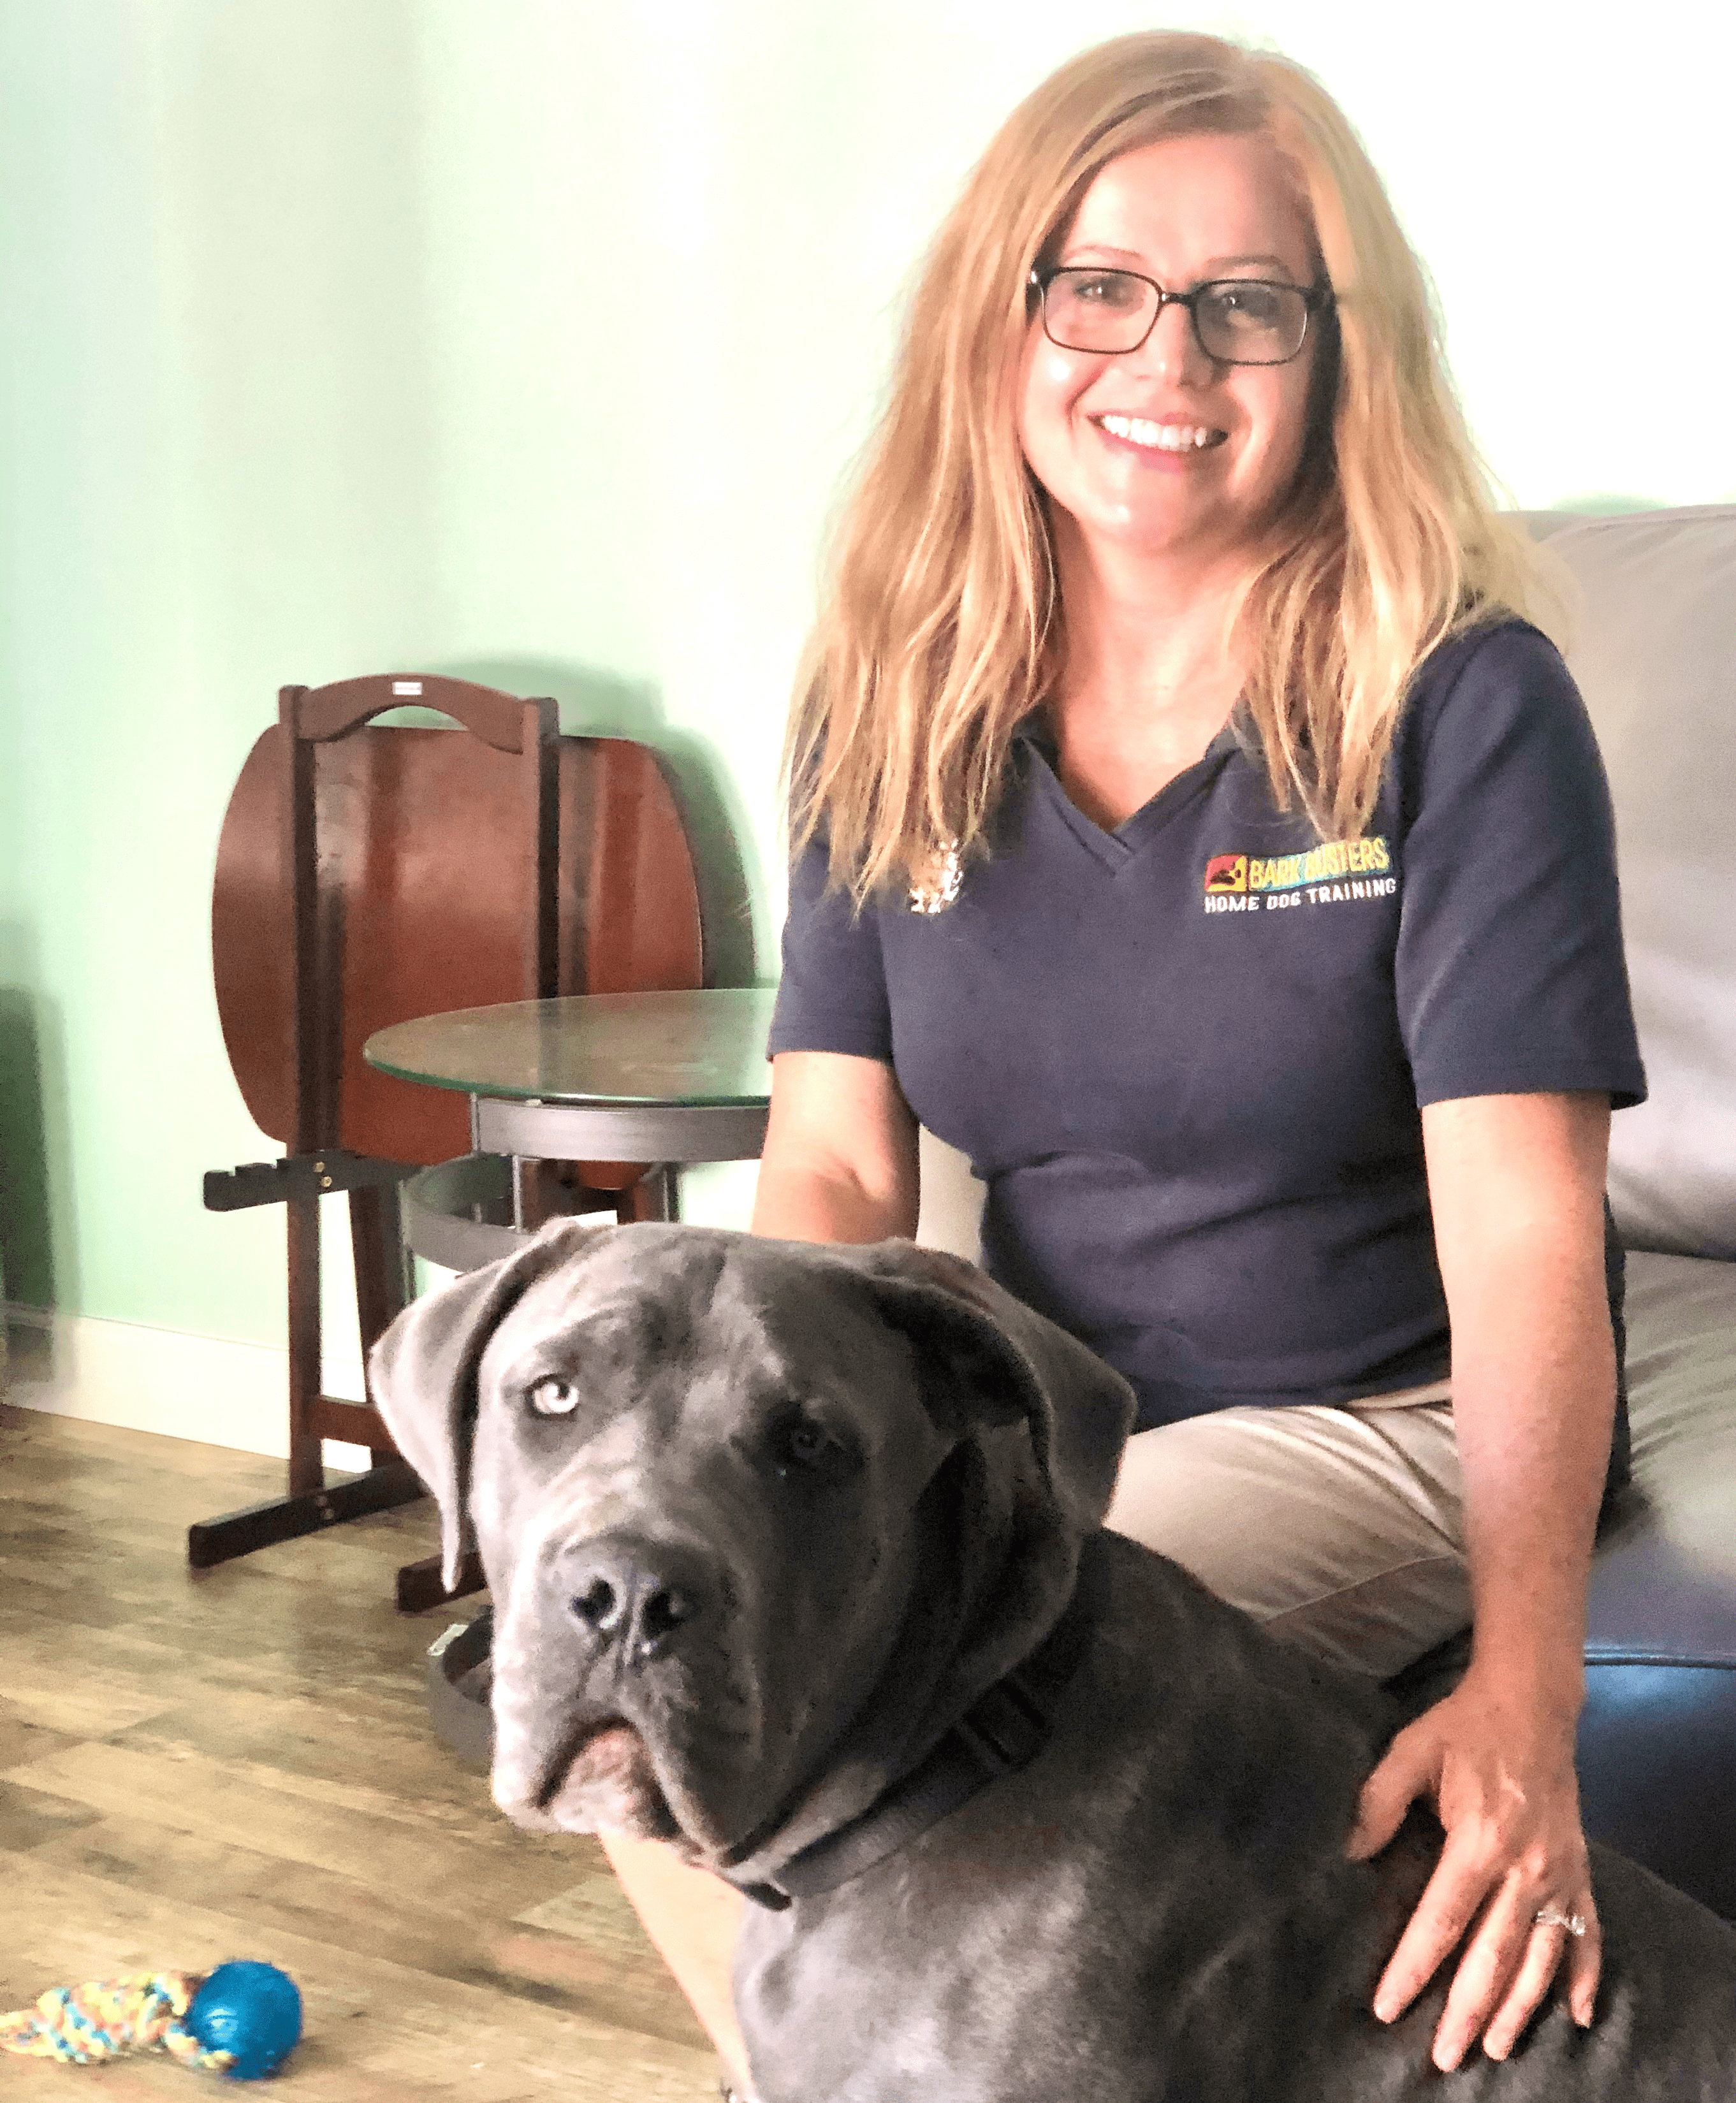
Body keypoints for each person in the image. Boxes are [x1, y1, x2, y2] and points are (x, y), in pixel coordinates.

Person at [601, 29, 1646, 2092]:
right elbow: (827, 1168)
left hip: (1382, 1404)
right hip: (1042, 1413)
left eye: (1248, 304)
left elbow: (1528, 1234)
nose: (1168, 363)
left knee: (930, 1737)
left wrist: (1532, 1692)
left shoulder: (1460, 704)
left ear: (1340, 357)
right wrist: (725, 1453)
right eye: (1099, 288)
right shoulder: (889, 694)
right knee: (642, 1684)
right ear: (1000, 324)